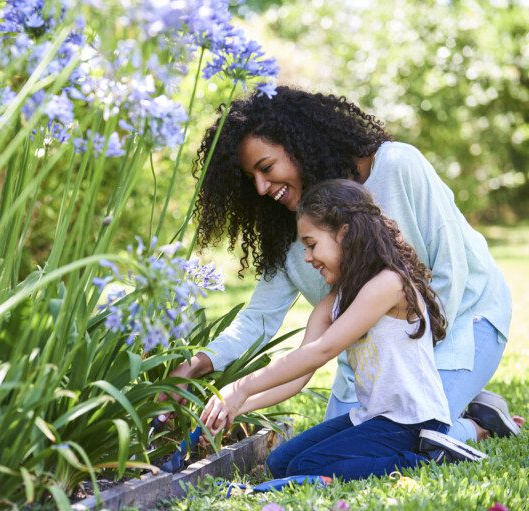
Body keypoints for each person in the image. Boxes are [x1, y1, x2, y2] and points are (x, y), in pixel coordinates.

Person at [168, 86, 518, 442]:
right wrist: (198, 363)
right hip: (374, 359)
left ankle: (478, 426)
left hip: (463, 322)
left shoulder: (397, 166)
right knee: (338, 441)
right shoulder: (289, 231)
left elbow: (451, 270)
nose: (260, 187)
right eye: (251, 178)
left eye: (266, 167)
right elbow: (258, 319)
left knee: (409, 434)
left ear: (299, 144)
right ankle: (461, 404)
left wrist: (413, 373)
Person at [200, 180, 486, 481]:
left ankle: (434, 458)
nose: (308, 257)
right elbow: (299, 372)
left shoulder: (389, 284)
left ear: (344, 234)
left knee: (304, 468)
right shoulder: (334, 300)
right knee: (280, 463)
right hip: (373, 418)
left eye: (311, 244)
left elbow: (322, 351)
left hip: (413, 423)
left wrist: (241, 387)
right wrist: (237, 408)